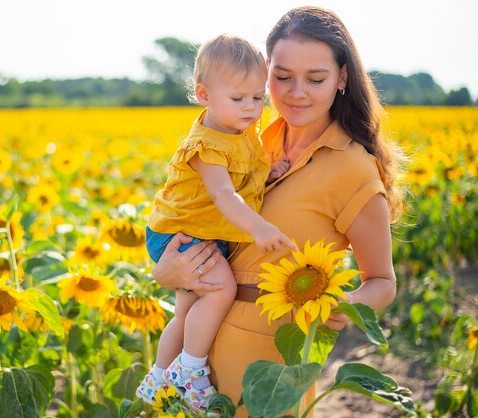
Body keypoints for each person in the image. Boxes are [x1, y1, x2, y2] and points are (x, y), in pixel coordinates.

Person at [151, 6, 404, 417]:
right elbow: (196, 221)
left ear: (342, 78)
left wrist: (342, 304)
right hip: (196, 344)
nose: (296, 92)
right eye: (282, 77)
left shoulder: (353, 168)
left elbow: (382, 281)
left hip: (269, 357)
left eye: (316, 79)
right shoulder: (248, 139)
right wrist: (166, 272)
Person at [135, 34, 297, 409]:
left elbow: (239, 177)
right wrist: (258, 227)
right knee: (221, 288)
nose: (251, 108)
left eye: (258, 98)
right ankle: (191, 371)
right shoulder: (207, 145)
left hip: (197, 232)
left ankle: (159, 377)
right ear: (205, 95)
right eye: (238, 99)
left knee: (188, 310)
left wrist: (267, 173)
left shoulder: (239, 133)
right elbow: (224, 194)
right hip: (180, 234)